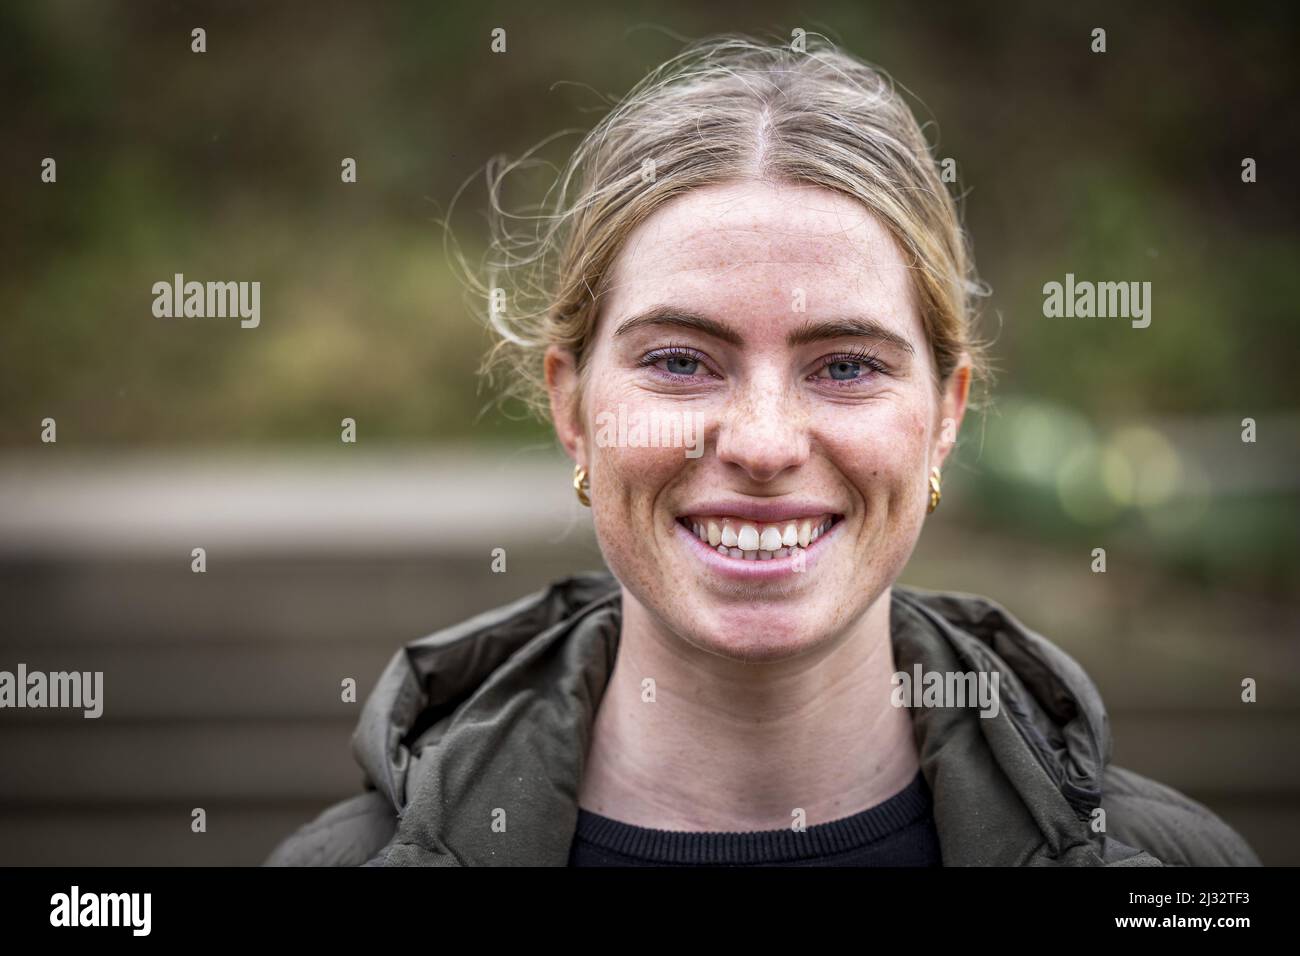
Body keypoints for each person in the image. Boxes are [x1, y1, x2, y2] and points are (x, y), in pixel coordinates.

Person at [265, 34, 1259, 867]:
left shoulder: (1176, 874)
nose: (762, 443)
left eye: (845, 366)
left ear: (946, 415)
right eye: (679, 359)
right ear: (572, 408)